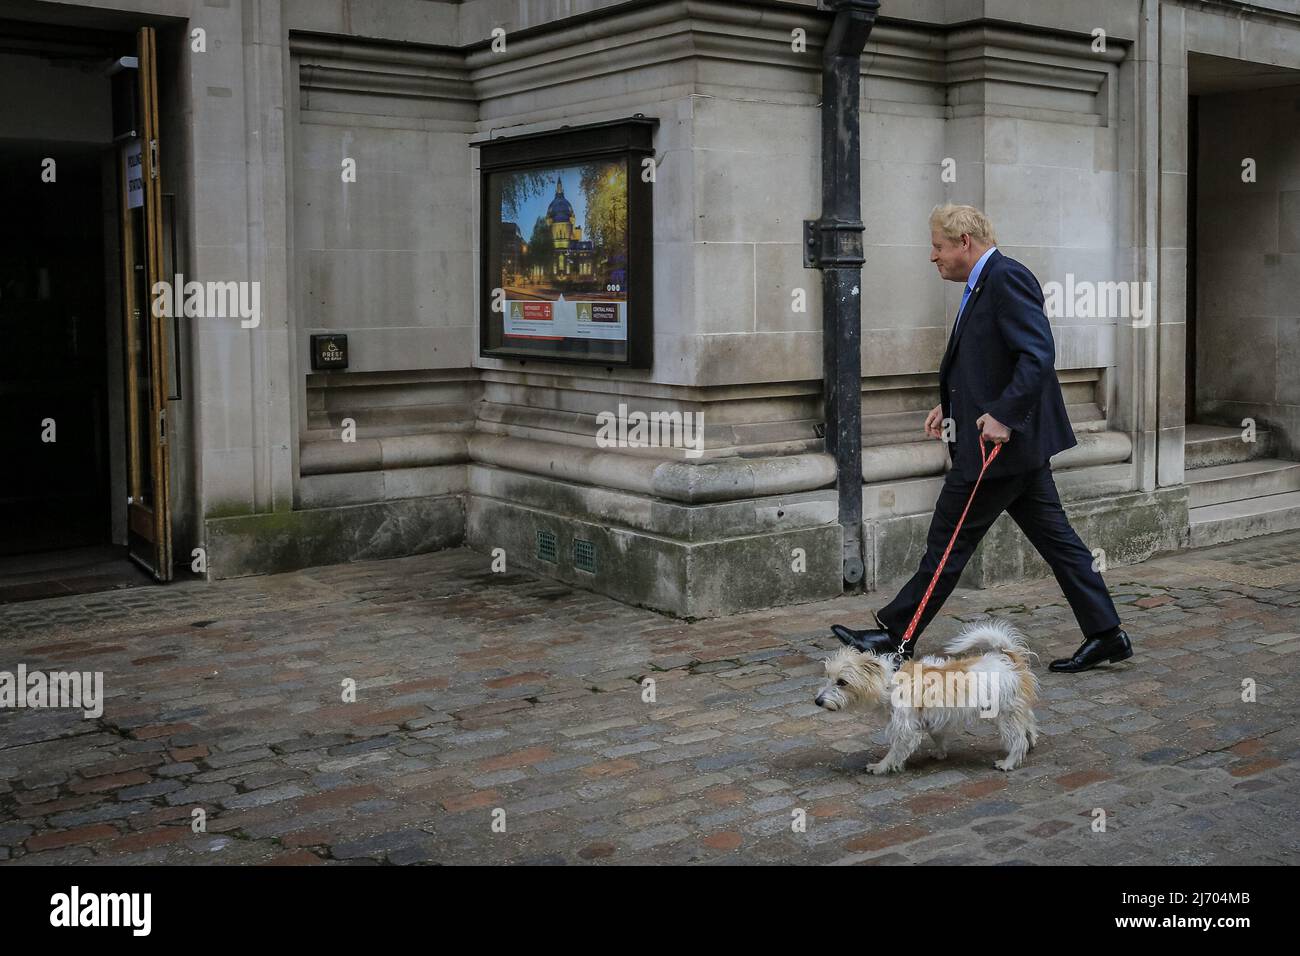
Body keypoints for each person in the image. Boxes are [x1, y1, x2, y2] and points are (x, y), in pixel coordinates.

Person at [831, 204, 1132, 674]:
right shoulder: (984, 282)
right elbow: (993, 363)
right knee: (1060, 543)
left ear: (964, 242)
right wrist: (952, 406)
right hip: (1011, 447)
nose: (933, 257)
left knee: (948, 541)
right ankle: (1107, 633)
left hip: (999, 449)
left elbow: (1036, 355)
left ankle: (896, 639)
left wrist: (1004, 418)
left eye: (938, 246)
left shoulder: (1006, 278)